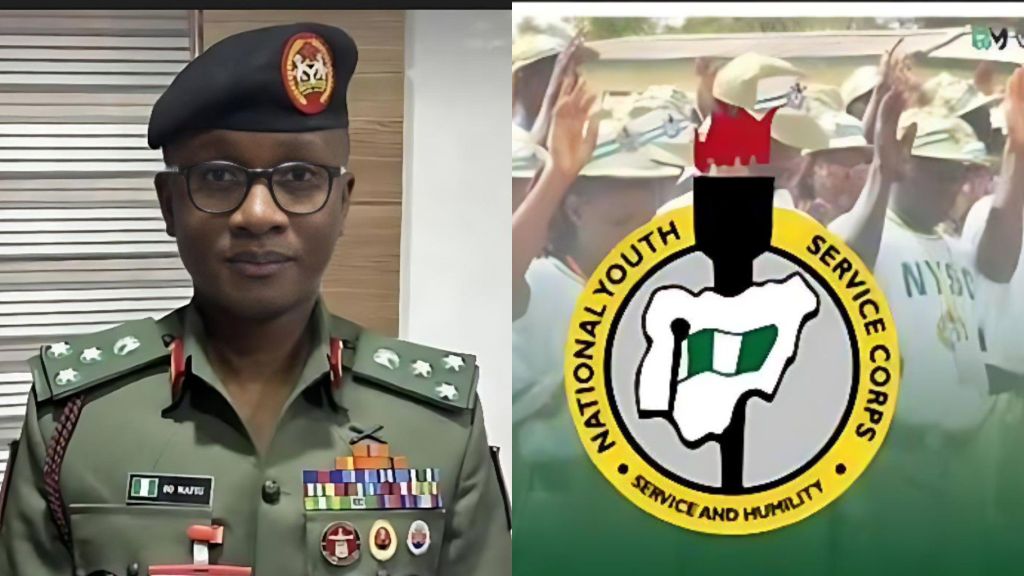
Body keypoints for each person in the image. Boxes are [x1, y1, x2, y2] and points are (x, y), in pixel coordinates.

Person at [0, 23, 509, 576]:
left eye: (299, 175)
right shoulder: (73, 419)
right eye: (219, 176)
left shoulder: (439, 424)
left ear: (343, 203)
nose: (258, 215)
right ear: (169, 205)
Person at [828, 40, 1024, 573]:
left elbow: (1000, 258)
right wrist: (879, 174)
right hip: (891, 470)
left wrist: (1016, 149)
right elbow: (840, 269)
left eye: (959, 171)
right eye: (939, 170)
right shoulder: (866, 234)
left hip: (960, 469)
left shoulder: (954, 247)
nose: (953, 184)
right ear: (904, 163)